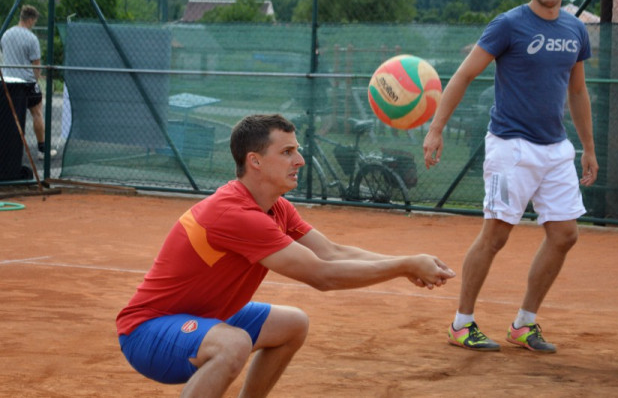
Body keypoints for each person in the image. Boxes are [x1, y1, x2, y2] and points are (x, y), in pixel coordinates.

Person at [116, 114, 456, 397]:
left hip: (203, 318)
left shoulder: (275, 207)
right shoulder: (234, 213)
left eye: (298, 150)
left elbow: (332, 252)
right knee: (233, 344)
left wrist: (409, 260)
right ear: (255, 161)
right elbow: (324, 276)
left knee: (292, 324)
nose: (300, 160)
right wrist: (404, 266)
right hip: (147, 331)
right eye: (288, 152)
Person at [422, 0, 598, 353]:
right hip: (511, 147)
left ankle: (524, 324)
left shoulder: (575, 30)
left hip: (556, 148)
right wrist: (436, 128)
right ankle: (461, 323)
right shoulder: (508, 25)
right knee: (496, 235)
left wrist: (588, 147)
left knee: (565, 235)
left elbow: (578, 92)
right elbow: (465, 75)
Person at [1, 4, 56, 159]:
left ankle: (8, 150)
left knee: (10, 116)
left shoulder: (6, 34)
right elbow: (36, 65)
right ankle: (42, 150)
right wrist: (37, 79)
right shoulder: (31, 38)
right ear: (31, 19)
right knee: (37, 113)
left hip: (8, 82)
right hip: (27, 83)